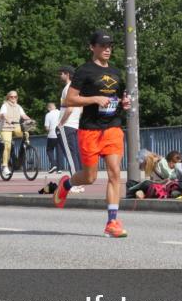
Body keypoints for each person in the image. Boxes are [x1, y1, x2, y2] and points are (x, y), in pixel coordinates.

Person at [55, 30, 133, 238]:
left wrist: (124, 104)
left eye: (110, 46)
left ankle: (112, 222)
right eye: (102, 45)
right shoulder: (84, 71)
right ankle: (67, 184)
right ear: (92, 47)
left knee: (115, 172)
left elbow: (119, 98)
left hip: (113, 128)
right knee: (89, 178)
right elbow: (68, 100)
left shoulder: (117, 73)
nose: (107, 49)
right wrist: (94, 99)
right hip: (90, 130)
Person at [56, 66, 83, 177]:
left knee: (70, 155)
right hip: (74, 125)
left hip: (66, 125)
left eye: (61, 73)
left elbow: (69, 108)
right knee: (75, 153)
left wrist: (61, 123)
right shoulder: (77, 89)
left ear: (67, 74)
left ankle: (75, 181)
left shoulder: (68, 88)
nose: (60, 76)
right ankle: (80, 180)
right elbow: (81, 108)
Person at [0, 90, 31, 177]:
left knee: (25, 132)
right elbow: (3, 114)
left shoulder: (18, 107)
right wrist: (7, 119)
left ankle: (25, 145)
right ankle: (5, 166)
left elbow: (23, 115)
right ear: (8, 97)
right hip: (6, 127)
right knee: (7, 145)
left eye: (15, 97)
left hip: (15, 126)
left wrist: (30, 120)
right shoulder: (4, 105)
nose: (14, 98)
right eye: (12, 97)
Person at [44, 102, 61, 174]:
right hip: (60, 134)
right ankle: (59, 169)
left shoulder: (48, 114)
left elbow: (47, 127)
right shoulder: (60, 112)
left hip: (52, 135)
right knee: (59, 151)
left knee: (49, 150)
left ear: (49, 108)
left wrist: (48, 129)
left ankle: (53, 164)